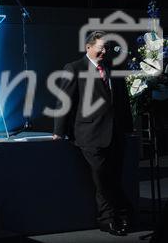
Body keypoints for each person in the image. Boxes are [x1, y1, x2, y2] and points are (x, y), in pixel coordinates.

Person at [53, 31, 133, 236]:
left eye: (106, 47)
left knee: (114, 177)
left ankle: (121, 215)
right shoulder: (74, 68)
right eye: (101, 47)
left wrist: (128, 128)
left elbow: (122, 100)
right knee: (102, 178)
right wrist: (58, 132)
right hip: (89, 135)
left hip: (114, 134)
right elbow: (64, 102)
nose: (104, 51)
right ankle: (107, 220)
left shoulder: (112, 68)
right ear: (88, 47)